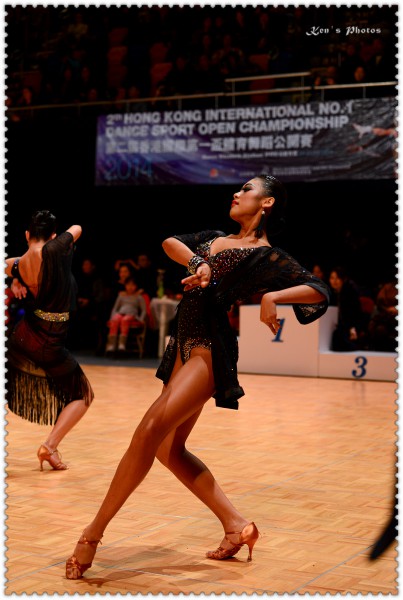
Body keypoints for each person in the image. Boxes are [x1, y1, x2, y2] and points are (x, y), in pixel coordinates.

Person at [65, 174, 330, 579]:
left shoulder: (266, 256)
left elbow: (319, 290)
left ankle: (92, 534)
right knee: (168, 449)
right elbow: (170, 242)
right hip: (181, 345)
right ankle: (237, 525)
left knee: (148, 431)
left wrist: (273, 296)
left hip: (210, 348)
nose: (237, 193)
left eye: (247, 189)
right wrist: (199, 263)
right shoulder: (213, 237)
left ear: (268, 203)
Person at [5, 210, 94, 471]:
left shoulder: (20, 263)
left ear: (27, 235)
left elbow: (6, 264)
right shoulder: (55, 250)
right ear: (54, 236)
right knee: (82, 395)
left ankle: (50, 448)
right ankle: (49, 446)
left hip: (24, 334)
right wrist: (15, 280)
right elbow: (77, 226)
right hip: (47, 340)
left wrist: (15, 278)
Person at [105, 276, 147, 353]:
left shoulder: (138, 297)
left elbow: (144, 310)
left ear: (136, 286)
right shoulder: (121, 295)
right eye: (128, 285)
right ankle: (111, 344)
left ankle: (122, 343)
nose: (130, 287)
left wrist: (141, 319)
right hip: (121, 313)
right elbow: (115, 308)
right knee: (115, 319)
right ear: (125, 285)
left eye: (132, 285)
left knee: (125, 320)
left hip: (132, 314)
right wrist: (111, 318)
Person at [329, 266, 365, 351]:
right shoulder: (331, 294)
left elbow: (355, 314)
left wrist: (353, 328)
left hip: (351, 326)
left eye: (337, 278)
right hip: (336, 326)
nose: (334, 281)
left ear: (343, 279)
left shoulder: (350, 292)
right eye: (332, 278)